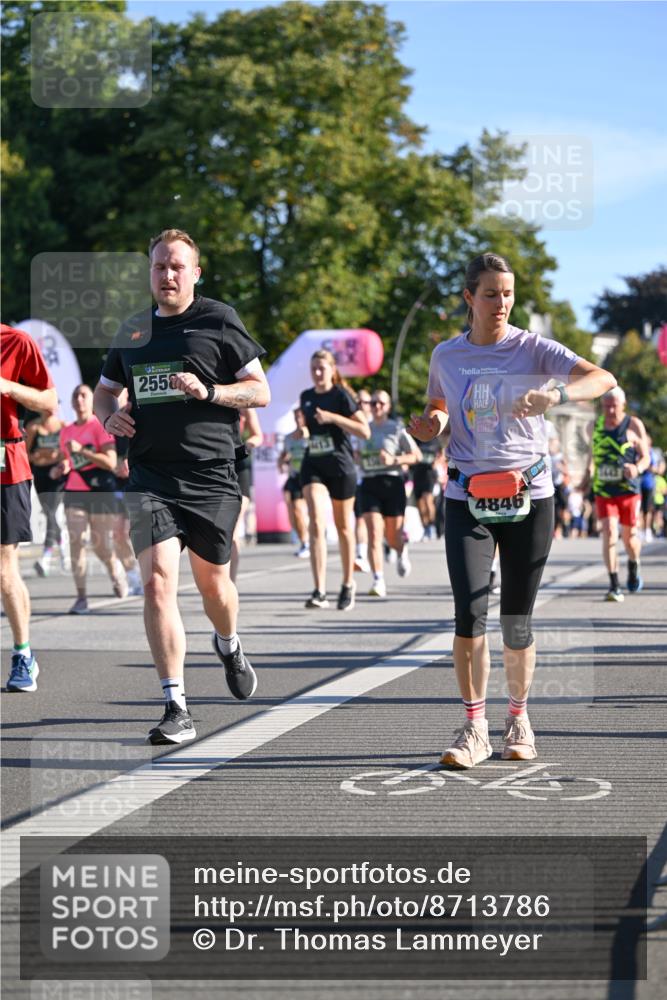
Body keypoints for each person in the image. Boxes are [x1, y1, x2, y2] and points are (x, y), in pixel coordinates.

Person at [409, 252, 616, 770]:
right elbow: (439, 405)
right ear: (468, 298)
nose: (500, 303)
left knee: (517, 620)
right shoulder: (446, 355)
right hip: (467, 495)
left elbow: (603, 378)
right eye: (490, 294)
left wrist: (557, 392)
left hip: (529, 495)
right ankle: (475, 726)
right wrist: (432, 426)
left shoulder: (532, 348)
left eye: (507, 293)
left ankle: (519, 717)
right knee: (469, 613)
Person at [93, 228, 270, 745]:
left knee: (214, 585)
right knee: (156, 582)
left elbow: (259, 391)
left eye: (176, 267)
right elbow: (106, 394)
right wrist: (108, 421)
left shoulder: (219, 319)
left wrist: (210, 390)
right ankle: (176, 705)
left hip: (211, 473)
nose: (167, 275)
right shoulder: (131, 332)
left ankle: (228, 641)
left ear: (195, 273)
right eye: (158, 267)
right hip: (150, 475)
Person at [1, 323, 57, 692]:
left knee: (4, 566)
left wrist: (9, 387)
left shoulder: (15, 341)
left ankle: (23, 654)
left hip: (5, 461)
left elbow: (49, 401)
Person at [299, 348, 370, 611]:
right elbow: (310, 427)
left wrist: (333, 418)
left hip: (341, 466)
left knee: (342, 527)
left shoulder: (341, 396)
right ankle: (319, 590)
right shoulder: (306, 397)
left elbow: (364, 430)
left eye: (322, 368)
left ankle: (348, 583)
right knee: (316, 521)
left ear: (332, 370)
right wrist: (302, 431)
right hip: (313, 464)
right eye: (313, 368)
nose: (317, 373)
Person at [58, 384, 128, 614]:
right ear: (71, 403)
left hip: (99, 491)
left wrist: (82, 451)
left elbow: (110, 462)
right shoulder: (66, 431)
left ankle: (115, 570)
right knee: (76, 543)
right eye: (75, 396)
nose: (79, 399)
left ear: (91, 401)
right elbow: (68, 459)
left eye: (83, 395)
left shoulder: (99, 426)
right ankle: (81, 597)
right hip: (74, 491)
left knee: (102, 547)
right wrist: (63, 466)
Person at [586, 386, 650, 601]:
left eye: (614, 406)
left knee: (629, 538)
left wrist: (637, 468)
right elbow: (592, 453)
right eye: (606, 406)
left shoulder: (633, 424)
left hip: (628, 490)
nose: (610, 410)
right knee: (609, 532)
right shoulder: (594, 425)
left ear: (623, 404)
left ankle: (634, 564)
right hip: (604, 489)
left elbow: (646, 457)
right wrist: (589, 471)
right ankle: (614, 585)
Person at [358, 390, 421, 597]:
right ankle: (378, 580)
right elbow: (354, 455)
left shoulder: (396, 429)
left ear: (388, 407)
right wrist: (356, 457)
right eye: (373, 403)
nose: (377, 407)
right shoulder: (362, 430)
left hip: (392, 483)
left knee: (393, 536)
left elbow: (416, 456)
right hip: (368, 483)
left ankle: (401, 550)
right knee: (374, 533)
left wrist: (394, 460)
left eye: (381, 403)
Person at [25, 407, 68, 576]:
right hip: (40, 474)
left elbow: (68, 453)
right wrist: (38, 456)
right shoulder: (34, 427)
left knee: (51, 513)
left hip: (58, 475)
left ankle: (46, 557)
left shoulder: (63, 426)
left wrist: (58, 458)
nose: (49, 410)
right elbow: (25, 454)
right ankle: (63, 548)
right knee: (49, 513)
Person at [231, 407, 263, 582]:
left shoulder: (242, 402)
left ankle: (230, 583)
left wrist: (247, 445)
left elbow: (258, 435)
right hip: (214, 465)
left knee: (233, 526)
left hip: (239, 466)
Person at [277, 407, 310, 557]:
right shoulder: (289, 437)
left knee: (299, 508)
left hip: (309, 476)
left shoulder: (311, 436)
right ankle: (303, 540)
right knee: (292, 510)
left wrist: (307, 434)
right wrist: (281, 462)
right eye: (296, 417)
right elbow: (283, 455)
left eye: (301, 416)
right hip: (294, 476)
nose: (298, 420)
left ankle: (307, 541)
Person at [353, 389, 373, 573]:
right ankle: (360, 554)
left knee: (387, 530)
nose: (360, 406)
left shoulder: (381, 425)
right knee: (360, 519)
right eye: (357, 402)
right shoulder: (350, 425)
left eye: (365, 402)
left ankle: (396, 547)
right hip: (359, 479)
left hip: (381, 480)